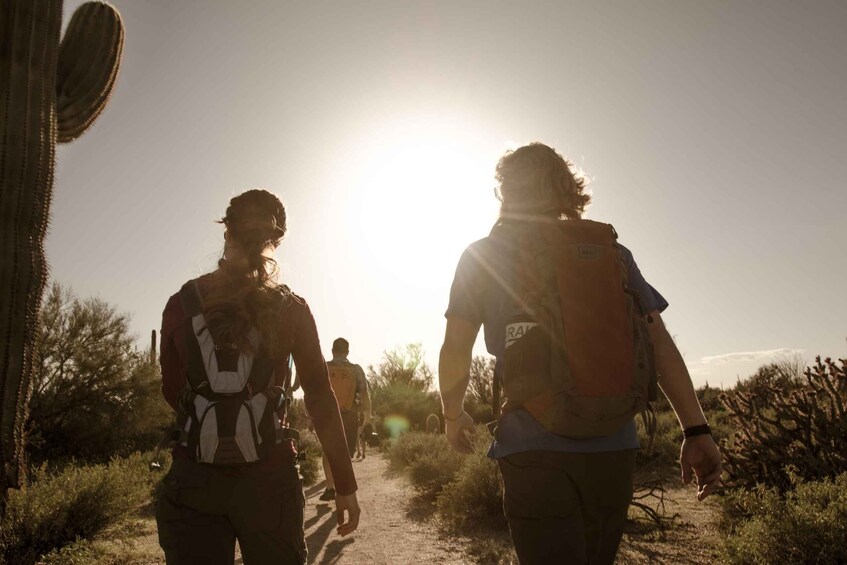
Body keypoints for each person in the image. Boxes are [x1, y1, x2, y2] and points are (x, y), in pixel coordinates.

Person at [438, 143, 722, 565]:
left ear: (505, 192)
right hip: (613, 443)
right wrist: (696, 430)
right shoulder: (610, 252)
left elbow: (456, 348)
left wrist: (452, 415)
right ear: (568, 191)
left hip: (532, 445)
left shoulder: (483, 254)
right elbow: (657, 340)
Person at [156, 189, 360, 565]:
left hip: (194, 479)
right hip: (269, 480)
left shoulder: (180, 304)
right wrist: (344, 484)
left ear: (226, 232)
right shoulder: (291, 307)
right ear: (275, 241)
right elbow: (318, 396)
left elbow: (172, 390)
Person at [319, 338, 372, 501]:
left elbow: (316, 392)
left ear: (332, 351)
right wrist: (367, 418)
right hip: (349, 416)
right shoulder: (356, 370)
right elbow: (365, 394)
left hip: (329, 415)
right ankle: (343, 489)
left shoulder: (325, 367)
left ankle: (330, 487)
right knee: (345, 455)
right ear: (347, 352)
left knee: (327, 451)